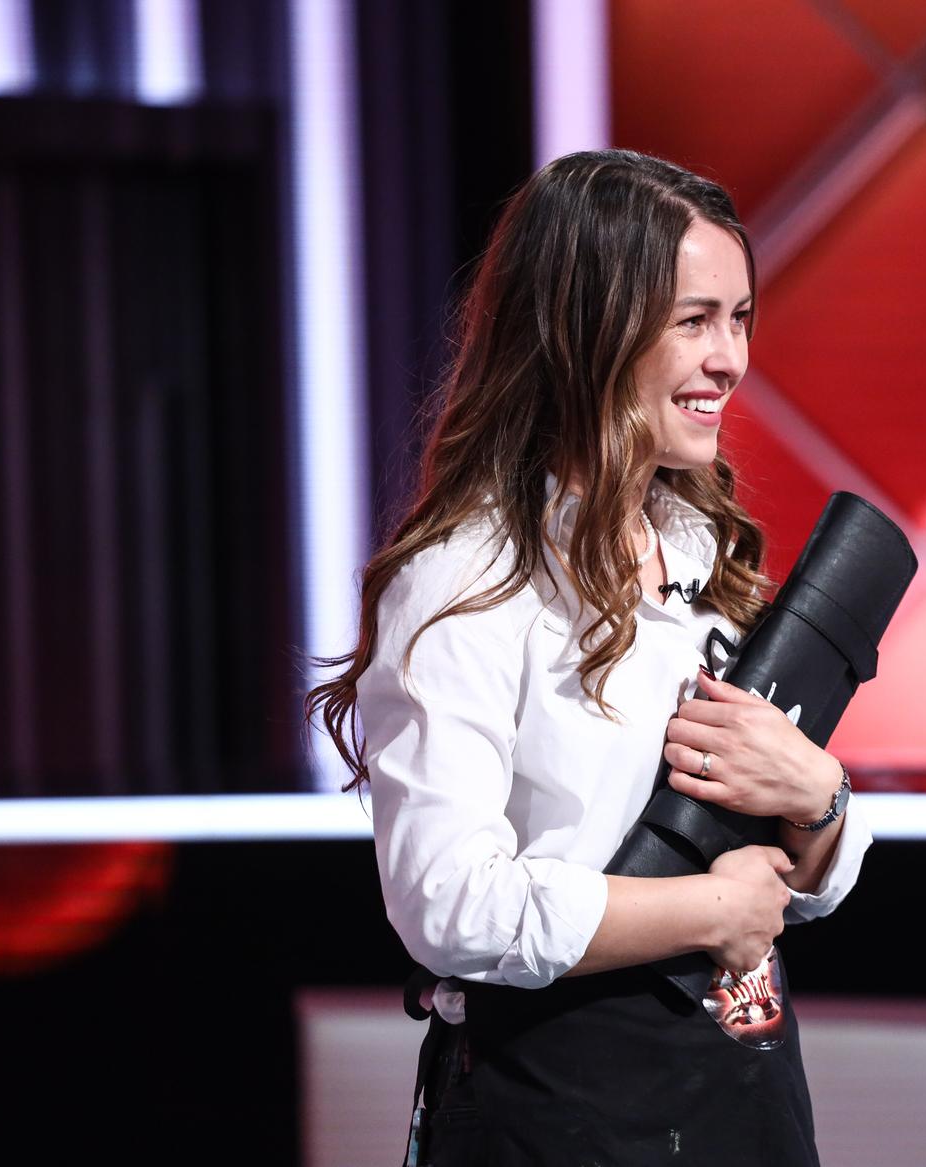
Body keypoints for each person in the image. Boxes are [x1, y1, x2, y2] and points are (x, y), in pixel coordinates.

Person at [306, 148, 872, 1165]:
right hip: (555, 1107)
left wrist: (818, 800)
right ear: (586, 332)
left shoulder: (699, 547)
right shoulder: (464, 579)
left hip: (741, 1087)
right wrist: (708, 909)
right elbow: (449, 904)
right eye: (694, 320)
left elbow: (789, 882)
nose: (730, 359)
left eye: (740, 318)